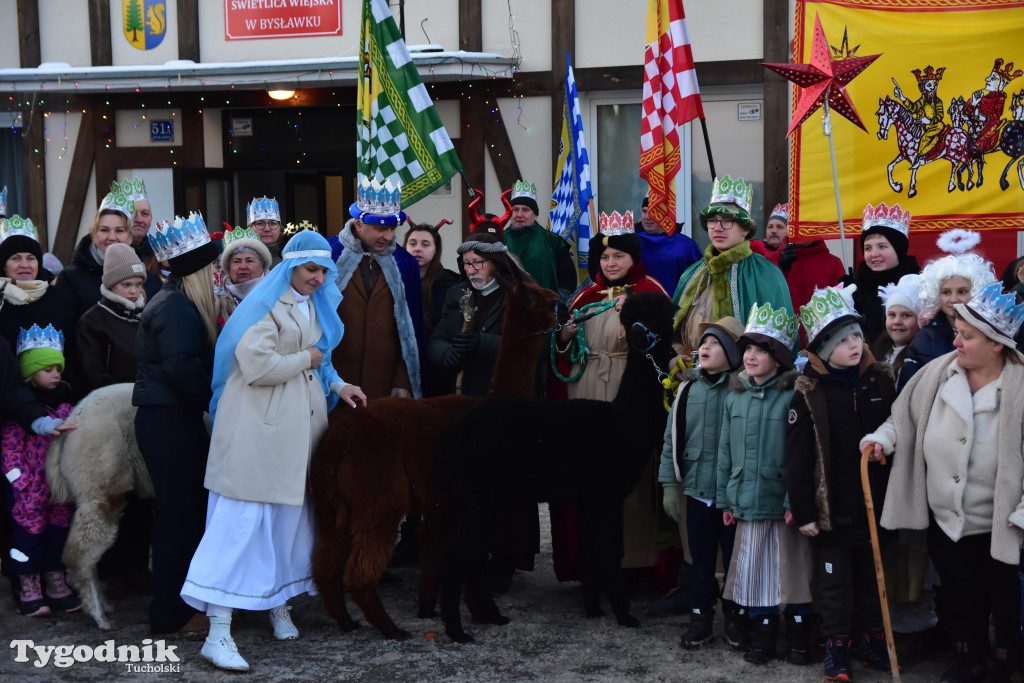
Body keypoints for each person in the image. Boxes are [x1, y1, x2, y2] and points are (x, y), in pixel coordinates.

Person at [181, 231, 366, 671]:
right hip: (256, 432)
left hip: (294, 432)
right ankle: (218, 631)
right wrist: (307, 361)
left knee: (288, 523)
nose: (318, 278)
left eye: (324, 271)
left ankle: (276, 602)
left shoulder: (311, 304)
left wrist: (340, 385)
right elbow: (258, 365)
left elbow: (324, 359)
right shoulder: (265, 306)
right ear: (290, 267)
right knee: (242, 525)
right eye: (310, 269)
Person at [863, 282, 1024, 682]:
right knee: (958, 596)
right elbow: (902, 420)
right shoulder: (937, 374)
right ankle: (966, 659)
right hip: (947, 518)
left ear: (998, 344)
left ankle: (1006, 663)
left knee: (1004, 600)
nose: (957, 342)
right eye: (957, 332)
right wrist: (881, 440)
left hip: (1004, 523)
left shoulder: (1020, 387)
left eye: (967, 336)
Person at [786, 286, 897, 679]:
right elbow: (797, 458)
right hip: (833, 508)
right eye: (843, 339)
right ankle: (837, 646)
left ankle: (871, 639)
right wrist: (804, 511)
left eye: (857, 336)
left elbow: (894, 431)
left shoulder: (878, 382)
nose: (855, 344)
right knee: (834, 584)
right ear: (823, 348)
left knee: (872, 577)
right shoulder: (809, 391)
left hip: (874, 504)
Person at [554, 211, 669, 574]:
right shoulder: (584, 296)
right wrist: (564, 338)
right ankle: (589, 560)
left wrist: (633, 316)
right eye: (604, 257)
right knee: (587, 474)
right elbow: (562, 354)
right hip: (584, 389)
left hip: (628, 391)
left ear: (633, 258)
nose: (610, 262)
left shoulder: (651, 293)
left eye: (618, 255)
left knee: (629, 478)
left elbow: (663, 346)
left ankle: (634, 561)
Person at [133, 212, 221, 635]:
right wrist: (220, 405)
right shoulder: (177, 308)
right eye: (214, 265)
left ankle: (180, 605)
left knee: (184, 515)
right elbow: (182, 368)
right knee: (178, 518)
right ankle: (170, 613)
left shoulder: (176, 302)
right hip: (167, 422)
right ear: (199, 269)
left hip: (171, 419)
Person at [716, 302, 812, 665]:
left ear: (780, 358)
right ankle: (764, 630)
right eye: (749, 349)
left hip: (781, 501)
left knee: (792, 567)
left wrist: (794, 501)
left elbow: (802, 457)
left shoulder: (793, 397)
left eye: (762, 350)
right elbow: (726, 450)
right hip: (747, 500)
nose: (752, 356)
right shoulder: (735, 395)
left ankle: (800, 634)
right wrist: (727, 499)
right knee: (754, 568)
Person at [658, 316, 746, 649]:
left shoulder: (742, 390)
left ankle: (737, 620)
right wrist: (669, 484)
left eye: (715, 344)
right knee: (700, 560)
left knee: (734, 562)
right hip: (695, 492)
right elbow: (672, 439)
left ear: (733, 353)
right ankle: (700, 619)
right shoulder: (687, 389)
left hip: (731, 496)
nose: (705, 348)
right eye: (704, 343)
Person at [1, 323, 80, 616]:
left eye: (58, 369)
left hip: (59, 489)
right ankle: (28, 585)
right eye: (47, 369)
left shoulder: (65, 408)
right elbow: (10, 450)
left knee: (58, 533)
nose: (56, 374)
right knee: (28, 537)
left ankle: (55, 579)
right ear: (30, 372)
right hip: (29, 493)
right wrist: (21, 483)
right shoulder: (19, 413)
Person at [672, 176, 794, 357]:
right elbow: (673, 331)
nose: (718, 228)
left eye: (727, 220)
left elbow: (782, 340)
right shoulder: (692, 273)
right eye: (712, 220)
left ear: (745, 229)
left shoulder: (767, 274)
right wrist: (676, 356)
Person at [329, 176, 424, 400]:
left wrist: (403, 380)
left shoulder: (405, 263)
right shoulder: (327, 254)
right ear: (359, 224)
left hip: (384, 386)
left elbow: (412, 328)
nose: (388, 237)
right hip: (333, 383)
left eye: (392, 229)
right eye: (380, 228)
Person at [428, 234, 535, 397]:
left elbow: (532, 346)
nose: (470, 270)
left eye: (477, 262)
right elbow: (436, 339)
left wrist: (481, 342)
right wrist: (445, 353)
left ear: (496, 262)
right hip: (464, 393)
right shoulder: (457, 294)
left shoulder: (520, 296)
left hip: (505, 395)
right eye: (466, 263)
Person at [897, 230, 996, 392]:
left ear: (977, 292)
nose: (953, 299)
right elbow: (908, 392)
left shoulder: (993, 336)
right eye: (946, 292)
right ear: (936, 294)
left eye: (962, 291)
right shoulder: (924, 338)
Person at [0, 215, 83, 399]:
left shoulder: (58, 298)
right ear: (4, 266)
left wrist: (69, 391)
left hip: (58, 398)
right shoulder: (1, 302)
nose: (24, 265)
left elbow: (73, 351)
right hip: (8, 403)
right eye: (15, 258)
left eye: (31, 258)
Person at [54, 185, 162, 316]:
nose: (111, 238)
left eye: (119, 230)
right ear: (94, 236)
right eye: (104, 230)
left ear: (130, 238)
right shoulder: (70, 279)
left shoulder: (150, 281)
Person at [75, 243, 148, 392]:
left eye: (138, 284)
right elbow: (92, 372)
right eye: (126, 284)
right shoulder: (92, 321)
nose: (134, 291)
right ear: (111, 284)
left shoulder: (147, 316)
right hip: (112, 402)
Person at [848, 202, 921, 344]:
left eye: (882, 246)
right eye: (868, 248)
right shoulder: (854, 290)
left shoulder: (921, 285)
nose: (874, 254)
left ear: (898, 249)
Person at [504, 179, 577, 301]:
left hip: (543, 311)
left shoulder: (553, 241)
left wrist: (558, 301)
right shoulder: (499, 241)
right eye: (515, 210)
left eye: (525, 210)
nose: (519, 214)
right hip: (508, 310)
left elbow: (568, 279)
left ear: (535, 214)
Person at [403, 221, 459, 337]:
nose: (418, 249)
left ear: (436, 249)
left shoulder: (450, 285)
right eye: (412, 244)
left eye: (425, 244)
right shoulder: (394, 281)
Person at [635, 196, 701, 292]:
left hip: (674, 305)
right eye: (644, 212)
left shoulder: (686, 246)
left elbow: (697, 283)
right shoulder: (631, 241)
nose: (647, 217)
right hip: (636, 305)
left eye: (654, 212)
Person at [964, 58, 1022, 155]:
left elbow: (997, 114)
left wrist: (984, 118)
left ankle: (978, 146)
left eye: (993, 78)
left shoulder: (1000, 98)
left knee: (993, 126)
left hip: (989, 127)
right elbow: (966, 113)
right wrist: (973, 103)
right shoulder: (980, 95)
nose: (987, 79)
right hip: (972, 127)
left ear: (1001, 84)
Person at [216, 226, 272, 323]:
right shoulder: (217, 300)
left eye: (249, 261)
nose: (243, 267)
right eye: (236, 261)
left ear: (262, 266)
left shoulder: (277, 293)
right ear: (228, 267)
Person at [871, 273, 922, 379]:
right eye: (892, 315)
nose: (897, 321)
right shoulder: (879, 352)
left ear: (920, 320)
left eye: (906, 315)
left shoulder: (920, 357)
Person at [894, 66, 948, 159]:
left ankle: (920, 155)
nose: (932, 88)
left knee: (927, 136)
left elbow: (940, 115)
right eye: (929, 85)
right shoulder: (922, 100)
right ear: (924, 88)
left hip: (936, 126)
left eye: (933, 85)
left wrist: (929, 121)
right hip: (923, 127)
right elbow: (913, 108)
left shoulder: (938, 101)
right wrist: (902, 97)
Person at [247, 196, 285, 268]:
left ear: (280, 227)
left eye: (273, 223)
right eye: (259, 224)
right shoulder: (239, 258)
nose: (267, 229)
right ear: (250, 228)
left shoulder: (291, 257)